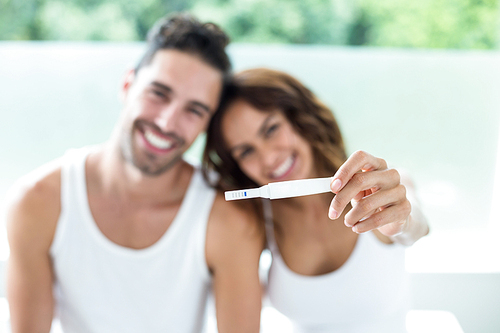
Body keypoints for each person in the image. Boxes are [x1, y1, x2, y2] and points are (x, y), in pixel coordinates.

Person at [4, 14, 264, 333]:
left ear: (205, 125)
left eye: (194, 110)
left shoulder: (227, 218)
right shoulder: (38, 202)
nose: (167, 123)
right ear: (127, 85)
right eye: (159, 93)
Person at [203, 68, 430, 332]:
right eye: (246, 151)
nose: (268, 158)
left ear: (301, 118)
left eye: (271, 130)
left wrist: (401, 220)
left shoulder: (380, 187)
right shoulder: (257, 220)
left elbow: (418, 227)